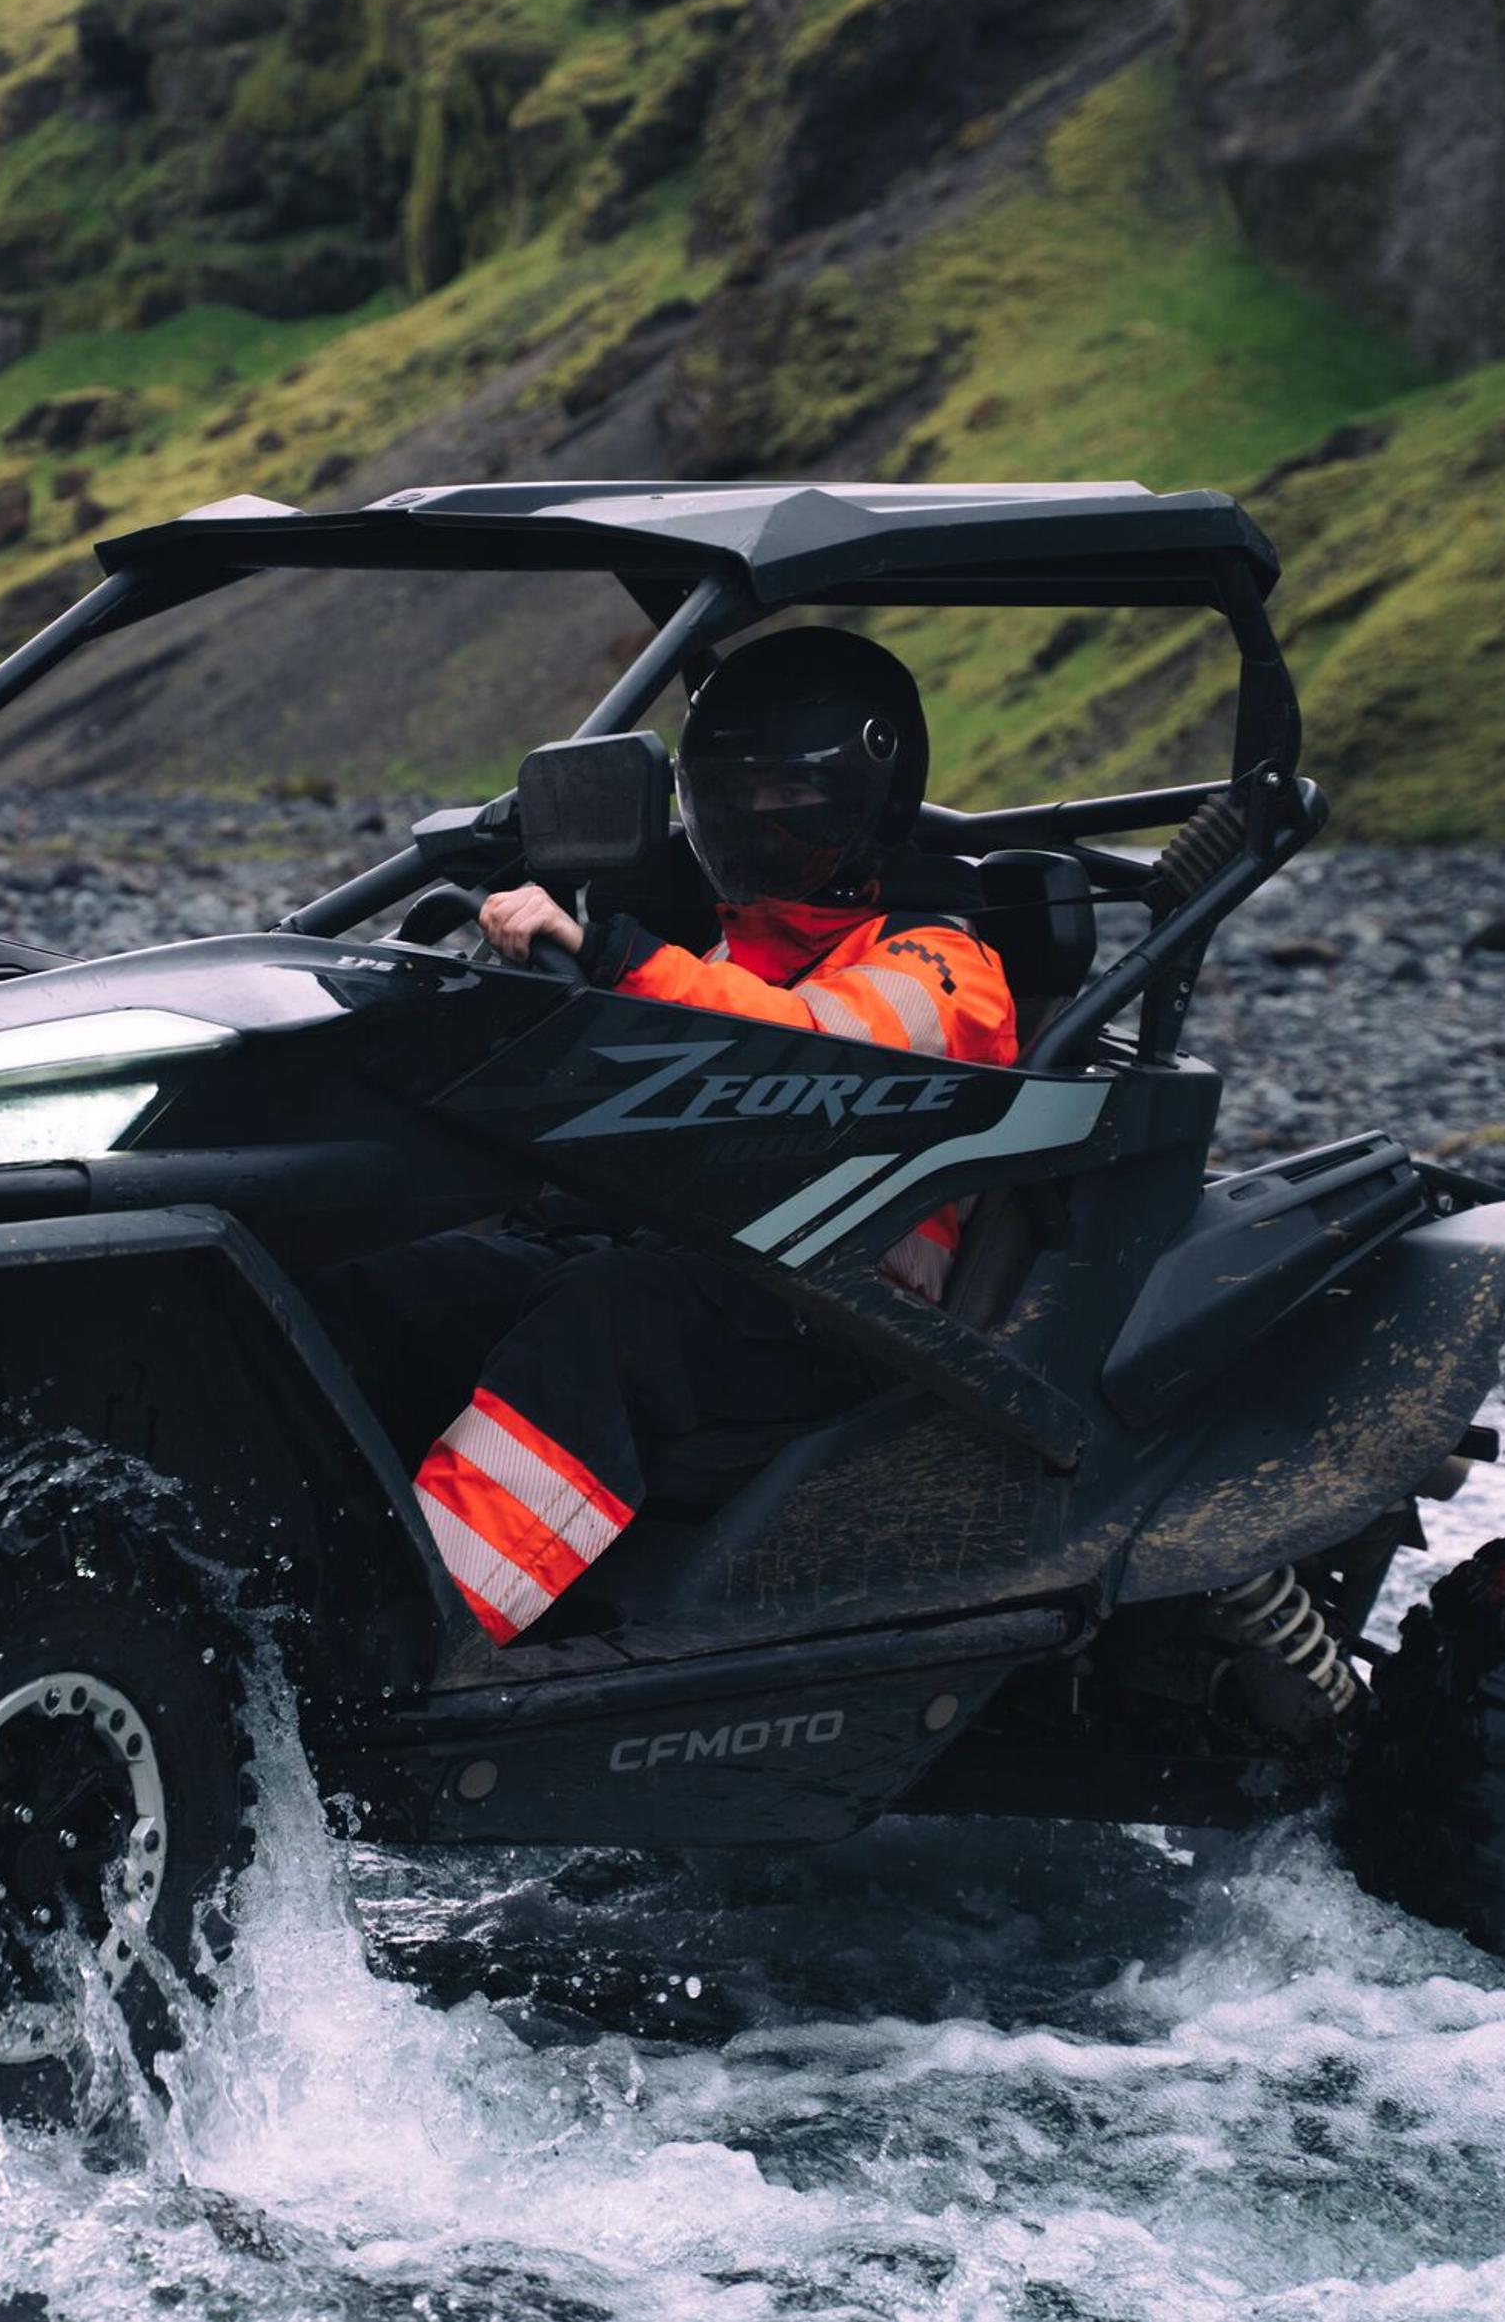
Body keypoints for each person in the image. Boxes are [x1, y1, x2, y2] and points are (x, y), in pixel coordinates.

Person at [318, 628, 1020, 1647]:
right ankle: (259, 1575)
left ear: (864, 799)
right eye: (730, 793)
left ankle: (411, 1641)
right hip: (691, 1262)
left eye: (786, 795)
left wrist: (612, 954)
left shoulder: (944, 966)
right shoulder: (723, 950)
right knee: (391, 1281)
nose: (751, 820)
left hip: (844, 1314)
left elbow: (814, 1051)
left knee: (606, 1318)